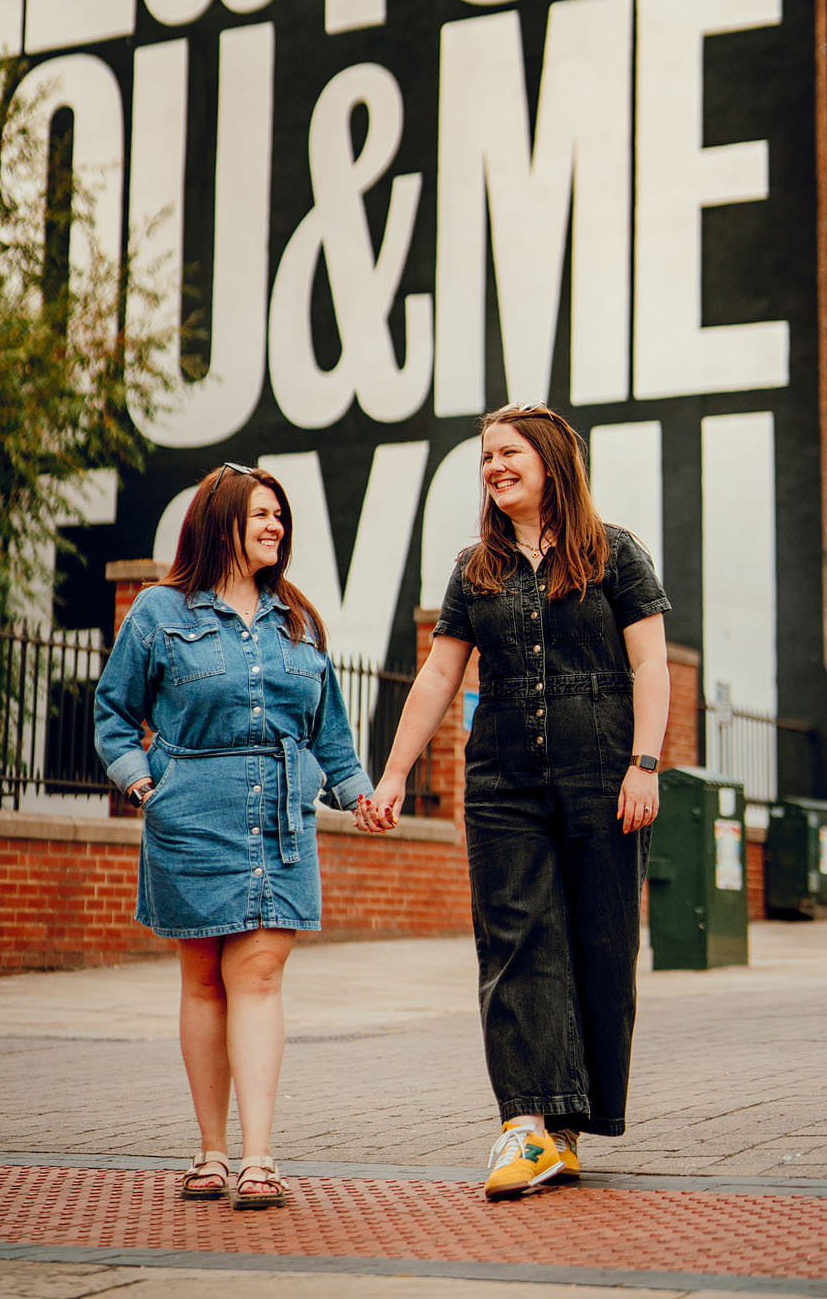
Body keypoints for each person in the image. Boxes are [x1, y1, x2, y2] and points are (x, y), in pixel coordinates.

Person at [368, 403, 670, 1201]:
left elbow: (650, 668)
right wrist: (394, 774)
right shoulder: (476, 569)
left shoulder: (616, 555)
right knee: (513, 943)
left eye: (508, 452)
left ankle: (568, 1129)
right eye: (485, 456)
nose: (494, 466)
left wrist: (645, 764)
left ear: (549, 462)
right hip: (502, 781)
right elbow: (437, 677)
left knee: (599, 947)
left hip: (603, 776)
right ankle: (525, 1124)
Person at [95, 461, 387, 1212]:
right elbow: (112, 712)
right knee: (202, 980)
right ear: (218, 520)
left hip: (280, 821)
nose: (274, 528)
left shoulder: (299, 620)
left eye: (280, 518)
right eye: (260, 514)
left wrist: (361, 797)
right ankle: (210, 1151)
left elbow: (332, 736)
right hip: (190, 816)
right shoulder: (159, 614)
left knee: (256, 977)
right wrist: (144, 786)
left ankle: (258, 1157)